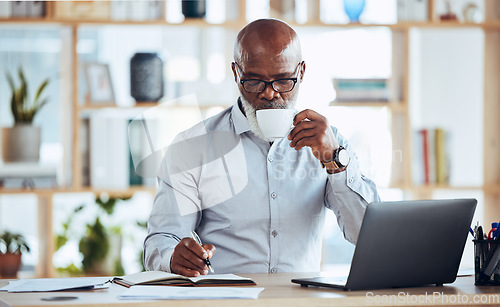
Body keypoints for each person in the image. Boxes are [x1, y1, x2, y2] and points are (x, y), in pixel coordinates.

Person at [144, 18, 380, 277]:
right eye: (254, 81)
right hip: (226, 299)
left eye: (283, 81)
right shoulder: (194, 147)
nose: (269, 94)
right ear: (236, 73)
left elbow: (368, 236)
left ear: (301, 72)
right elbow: (160, 241)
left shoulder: (330, 143)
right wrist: (173, 256)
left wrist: (334, 161)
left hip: (302, 300)